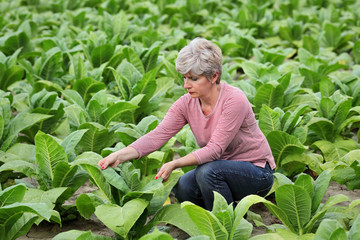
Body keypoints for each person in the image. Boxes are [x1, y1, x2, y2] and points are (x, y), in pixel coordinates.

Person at [98, 38, 276, 211]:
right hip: (220, 168)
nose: (186, 85)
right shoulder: (186, 103)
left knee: (207, 172)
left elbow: (215, 150)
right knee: (183, 186)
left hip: (257, 173)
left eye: (193, 78)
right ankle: (217, 216)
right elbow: (158, 135)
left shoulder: (233, 100)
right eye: (184, 78)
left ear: (214, 76)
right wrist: (120, 155)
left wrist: (175, 163)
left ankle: (228, 221)